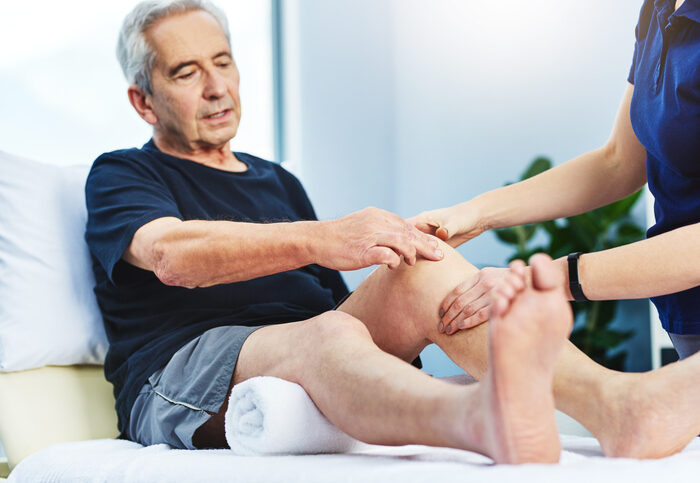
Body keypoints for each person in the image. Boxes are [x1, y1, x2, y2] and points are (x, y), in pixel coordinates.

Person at [86, 0, 698, 465]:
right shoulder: (123, 173)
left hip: (308, 339)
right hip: (184, 370)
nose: (216, 86)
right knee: (326, 335)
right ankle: (478, 415)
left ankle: (615, 405)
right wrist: (324, 239)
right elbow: (170, 255)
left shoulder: (277, 182)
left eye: (222, 62)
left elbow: (339, 308)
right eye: (187, 72)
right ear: (144, 102)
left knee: (418, 263)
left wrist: (413, 320)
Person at [411, 0, 700, 358]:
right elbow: (617, 163)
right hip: (684, 314)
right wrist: (474, 213)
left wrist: (543, 280)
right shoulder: (658, 9)